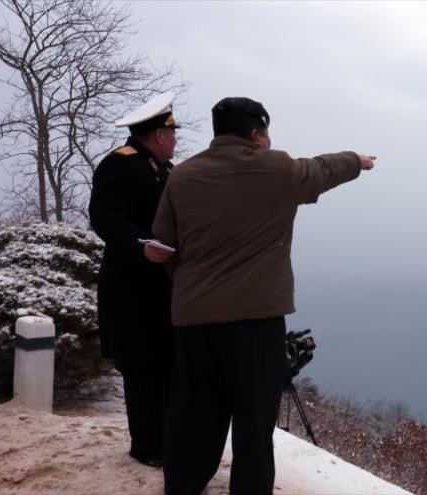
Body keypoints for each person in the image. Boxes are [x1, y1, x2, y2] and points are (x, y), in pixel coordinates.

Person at [150, 96, 375, 494]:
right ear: (256, 134)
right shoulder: (277, 170)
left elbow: (164, 245)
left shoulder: (181, 176)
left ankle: (183, 486)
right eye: (266, 133)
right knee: (254, 423)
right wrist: (356, 160)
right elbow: (323, 168)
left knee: (196, 414)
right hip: (256, 322)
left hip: (195, 320)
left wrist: (187, 284)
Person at [88, 92, 180, 468]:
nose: (176, 141)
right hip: (130, 288)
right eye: (172, 134)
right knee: (143, 369)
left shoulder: (164, 170)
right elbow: (104, 217)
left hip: (162, 288)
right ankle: (147, 448)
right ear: (159, 135)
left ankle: (166, 441)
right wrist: (141, 247)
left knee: (165, 366)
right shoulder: (121, 165)